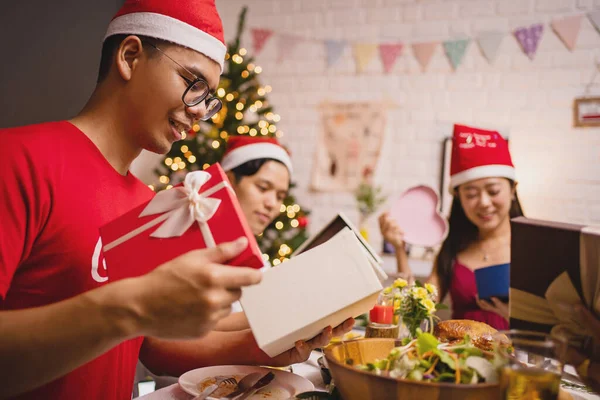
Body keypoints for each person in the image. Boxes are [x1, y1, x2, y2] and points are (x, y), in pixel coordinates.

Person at [0, 1, 352, 399]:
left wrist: (272, 346)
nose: (200, 111)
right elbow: (132, 316)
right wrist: (130, 306)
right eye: (193, 82)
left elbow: (151, 345)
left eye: (209, 97)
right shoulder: (17, 161)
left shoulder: (146, 202)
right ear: (130, 57)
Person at [379, 124, 524, 330]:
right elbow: (416, 311)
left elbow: (556, 329)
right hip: (456, 356)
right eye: (471, 194)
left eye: (493, 191)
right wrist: (400, 248)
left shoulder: (532, 247)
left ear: (512, 190)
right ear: (458, 198)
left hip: (512, 358)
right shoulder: (453, 246)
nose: (483, 202)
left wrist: (514, 318)